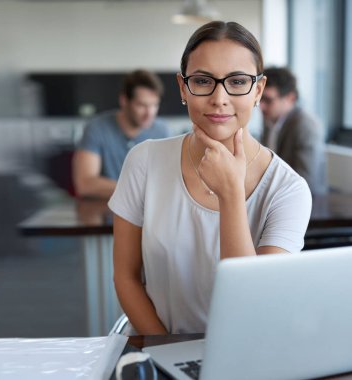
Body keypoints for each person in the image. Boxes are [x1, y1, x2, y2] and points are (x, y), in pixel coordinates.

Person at [108, 21, 312, 335]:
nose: (219, 97)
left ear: (258, 90)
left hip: (245, 357)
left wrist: (231, 194)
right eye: (203, 81)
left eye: (238, 81)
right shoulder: (144, 161)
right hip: (157, 350)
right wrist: (169, 353)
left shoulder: (289, 190)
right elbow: (126, 277)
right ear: (182, 88)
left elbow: (252, 306)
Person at [72, 69, 169, 199]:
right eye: (141, 105)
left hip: (147, 212)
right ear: (124, 101)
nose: (149, 113)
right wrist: (141, 188)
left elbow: (170, 181)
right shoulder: (96, 128)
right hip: (104, 211)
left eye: (154, 105)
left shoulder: (163, 131)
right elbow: (85, 184)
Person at [260, 67, 327, 195]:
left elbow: (306, 181)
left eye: (268, 100)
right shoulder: (270, 119)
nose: (261, 106)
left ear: (290, 98)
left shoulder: (306, 126)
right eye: (260, 99)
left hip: (306, 202)